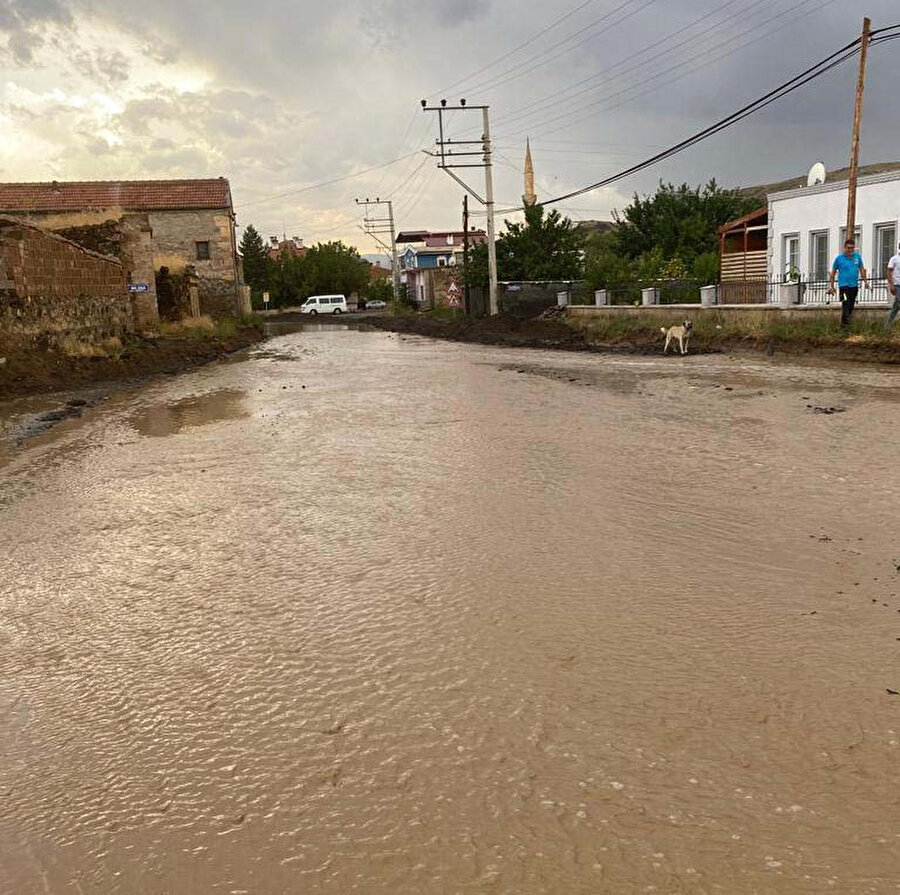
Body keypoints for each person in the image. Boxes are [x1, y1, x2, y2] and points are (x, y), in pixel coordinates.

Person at [828, 238, 867, 326]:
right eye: (848, 248)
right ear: (844, 248)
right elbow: (833, 273)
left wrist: (866, 282)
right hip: (843, 286)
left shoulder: (857, 257)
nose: (850, 250)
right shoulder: (839, 259)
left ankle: (843, 325)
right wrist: (832, 286)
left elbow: (861, 269)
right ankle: (846, 324)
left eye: (852, 248)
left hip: (854, 286)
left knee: (851, 305)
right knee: (845, 303)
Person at [885, 242, 900, 329]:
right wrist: (891, 285)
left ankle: (886, 326)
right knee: (898, 302)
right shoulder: (894, 259)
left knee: (896, 307)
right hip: (897, 284)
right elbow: (888, 272)